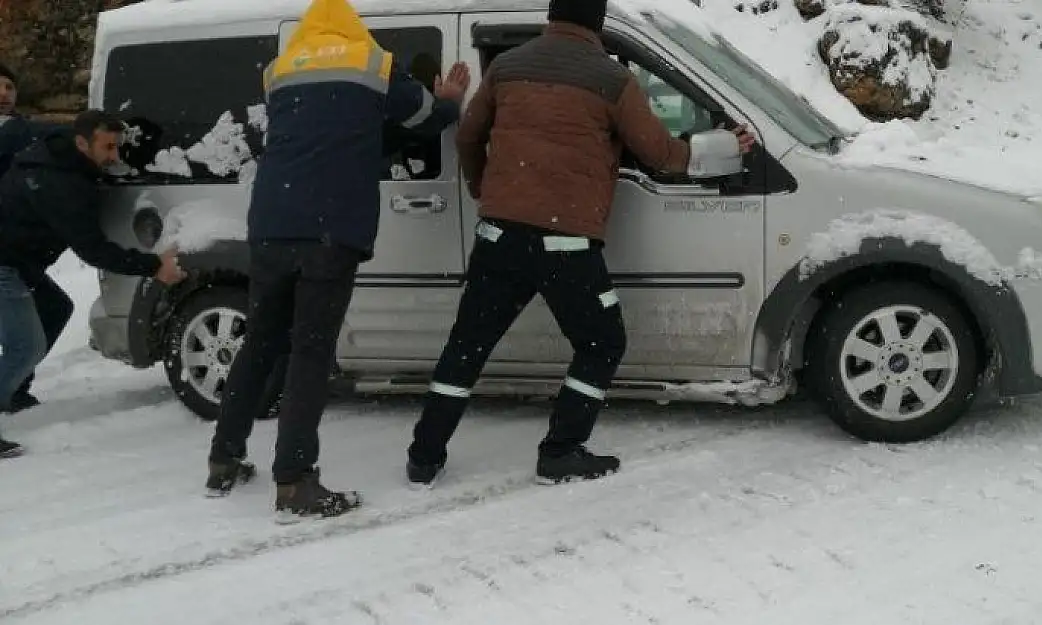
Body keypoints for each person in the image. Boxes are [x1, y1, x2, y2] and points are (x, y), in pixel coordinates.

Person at [405, 0, 757, 487]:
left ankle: (424, 457)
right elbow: (661, 154)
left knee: (467, 346)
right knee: (601, 342)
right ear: (599, 24)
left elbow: (468, 135)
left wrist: (483, 186)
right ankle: (562, 451)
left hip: (499, 237)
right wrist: (722, 145)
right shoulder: (612, 79)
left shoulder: (507, 66)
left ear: (552, 16)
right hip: (566, 246)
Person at [205, 0, 470, 520]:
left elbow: (326, 135)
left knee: (260, 341)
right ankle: (295, 480)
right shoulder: (371, 65)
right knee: (310, 351)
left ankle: (224, 458)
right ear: (355, 31)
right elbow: (425, 116)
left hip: (272, 224)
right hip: (329, 228)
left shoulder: (280, 72)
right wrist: (451, 99)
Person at [0, 109, 187, 458]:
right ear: (82, 143)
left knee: (55, 308)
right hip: (5, 263)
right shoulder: (59, 184)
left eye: (117, 147)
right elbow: (94, 250)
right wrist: (153, 266)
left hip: (20, 260)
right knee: (25, 346)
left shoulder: (62, 155)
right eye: (108, 148)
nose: (114, 156)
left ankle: (13, 390)